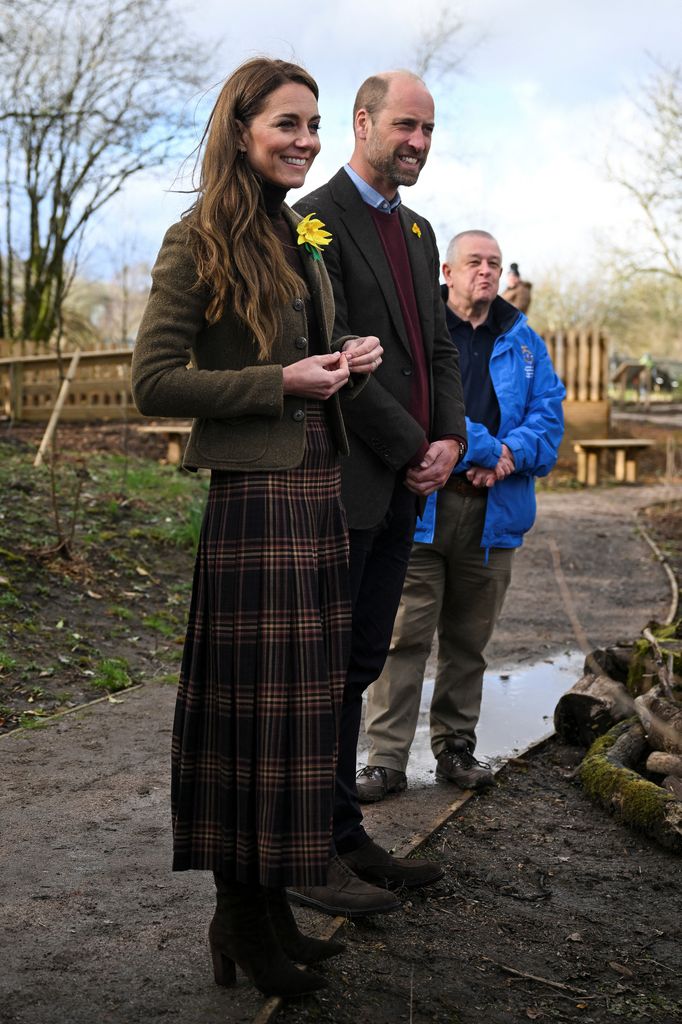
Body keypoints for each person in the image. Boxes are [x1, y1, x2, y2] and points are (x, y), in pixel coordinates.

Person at [132, 58, 384, 999]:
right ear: (241, 130)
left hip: (318, 488)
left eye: (314, 124)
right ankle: (239, 914)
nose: (307, 139)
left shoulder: (298, 238)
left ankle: (265, 905)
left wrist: (347, 363)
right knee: (252, 715)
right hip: (254, 503)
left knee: (300, 713)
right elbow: (153, 382)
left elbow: (302, 360)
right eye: (288, 123)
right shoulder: (196, 239)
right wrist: (277, 383)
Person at [288, 71, 466, 918]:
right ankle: (306, 847)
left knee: (362, 661)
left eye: (428, 130)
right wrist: (410, 446)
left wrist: (452, 439)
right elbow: (330, 352)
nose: (419, 143)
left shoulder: (423, 229)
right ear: (363, 123)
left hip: (407, 488)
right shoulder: (312, 221)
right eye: (405, 126)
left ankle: (344, 830)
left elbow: (438, 347)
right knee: (323, 670)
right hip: (349, 479)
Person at [358, 230, 565, 801]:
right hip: (423, 509)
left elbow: (549, 423)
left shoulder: (524, 342)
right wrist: (485, 450)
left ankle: (454, 747)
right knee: (403, 639)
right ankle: (385, 760)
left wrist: (509, 455)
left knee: (469, 643)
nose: (487, 272)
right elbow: (415, 413)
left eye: (495, 263)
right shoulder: (421, 335)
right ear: (445, 271)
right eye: (474, 262)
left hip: (494, 516)